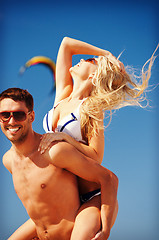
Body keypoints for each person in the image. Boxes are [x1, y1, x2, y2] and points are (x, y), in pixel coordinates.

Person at [40, 37, 158, 239]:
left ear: (95, 75)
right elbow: (66, 44)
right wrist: (105, 54)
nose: (83, 59)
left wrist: (66, 139)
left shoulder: (91, 108)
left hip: (93, 198)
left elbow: (96, 157)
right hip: (66, 198)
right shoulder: (63, 95)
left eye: (90, 61)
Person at [0, 87, 118, 240]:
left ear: (31, 116)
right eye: (4, 115)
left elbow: (109, 178)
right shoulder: (8, 160)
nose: (12, 121)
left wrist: (106, 230)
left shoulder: (54, 151)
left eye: (19, 115)